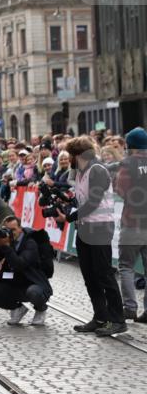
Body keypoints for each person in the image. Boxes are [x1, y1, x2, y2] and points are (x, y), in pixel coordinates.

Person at [53, 136, 126, 336]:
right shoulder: (80, 172)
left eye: (71, 156)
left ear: (78, 155)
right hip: (84, 227)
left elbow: (93, 201)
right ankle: (100, 316)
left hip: (100, 227)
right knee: (89, 275)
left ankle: (118, 319)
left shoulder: (98, 170)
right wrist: (67, 206)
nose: (69, 160)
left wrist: (70, 216)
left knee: (104, 274)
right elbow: (81, 199)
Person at [0, 216, 53, 325]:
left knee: (33, 292)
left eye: (13, 230)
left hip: (34, 284)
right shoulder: (5, 241)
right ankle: (17, 308)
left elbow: (19, 264)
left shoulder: (30, 243)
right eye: (7, 230)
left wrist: (6, 247)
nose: (11, 233)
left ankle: (41, 309)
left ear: (20, 229)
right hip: (14, 284)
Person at [114, 127, 147, 322]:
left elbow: (121, 189)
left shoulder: (127, 164)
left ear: (130, 146)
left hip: (132, 222)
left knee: (126, 266)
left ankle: (130, 308)